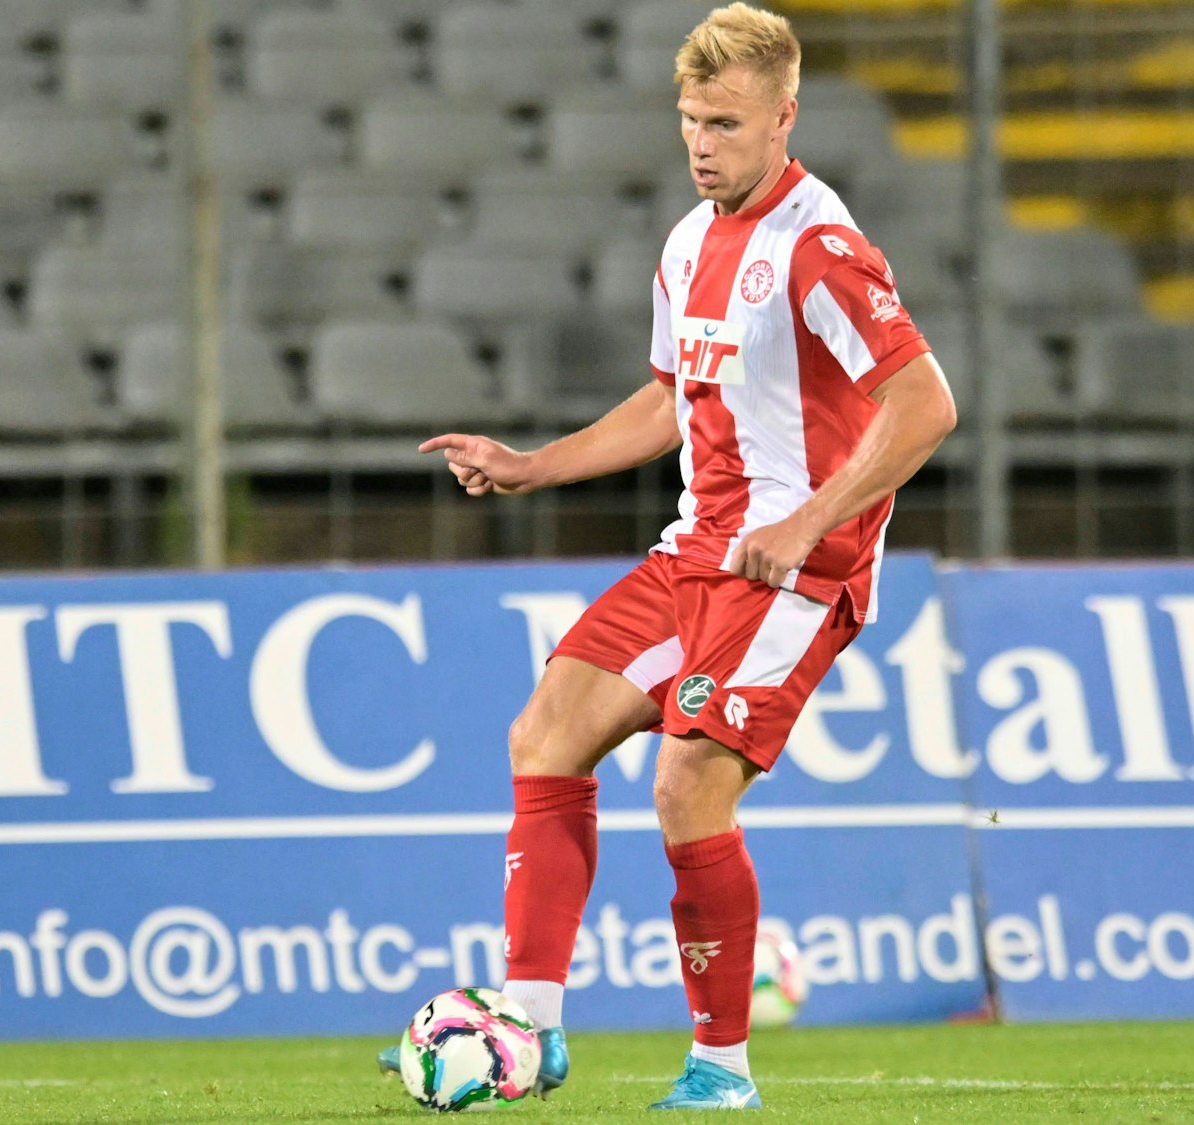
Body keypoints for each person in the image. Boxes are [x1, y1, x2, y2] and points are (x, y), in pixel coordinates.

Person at [382, 2, 957, 1110]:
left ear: (785, 118)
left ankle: (720, 1069)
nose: (702, 145)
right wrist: (532, 465)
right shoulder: (690, 241)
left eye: (727, 124)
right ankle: (528, 1032)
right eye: (690, 121)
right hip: (696, 553)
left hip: (796, 574)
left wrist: (806, 522)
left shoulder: (818, 250)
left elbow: (924, 405)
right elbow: (668, 399)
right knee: (545, 729)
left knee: (687, 784)